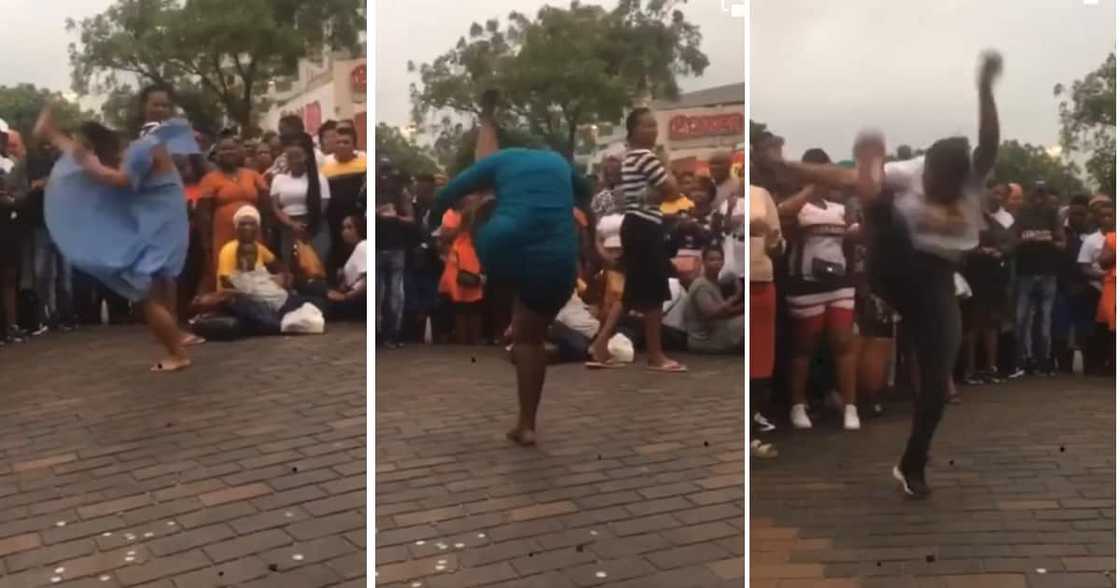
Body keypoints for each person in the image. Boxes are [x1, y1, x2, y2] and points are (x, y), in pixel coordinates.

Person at [762, 51, 1003, 497]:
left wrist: (985, 89)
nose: (928, 185)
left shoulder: (974, 175)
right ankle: (873, 191)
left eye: (937, 184)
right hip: (892, 264)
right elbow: (837, 175)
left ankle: (912, 464)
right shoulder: (912, 172)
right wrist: (789, 166)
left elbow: (989, 139)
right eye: (926, 177)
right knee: (879, 202)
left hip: (936, 281)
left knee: (937, 385)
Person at [431, 89, 589, 446]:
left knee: (483, 209)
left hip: (502, 246)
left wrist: (435, 220)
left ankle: (506, 313)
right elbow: (587, 189)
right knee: (530, 339)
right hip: (558, 261)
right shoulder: (558, 162)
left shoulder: (498, 162)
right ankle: (527, 423)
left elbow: (449, 191)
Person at [35, 105, 200, 372]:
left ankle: (177, 353)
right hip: (163, 227)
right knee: (160, 287)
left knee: (148, 296)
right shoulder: (153, 147)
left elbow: (119, 180)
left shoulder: (142, 149)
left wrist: (76, 153)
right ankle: (177, 340)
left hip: (156, 230)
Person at [586, 107, 686, 373]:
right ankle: (655, 356)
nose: (652, 130)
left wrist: (657, 193)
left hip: (636, 225)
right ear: (632, 131)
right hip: (644, 226)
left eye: (654, 125)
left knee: (632, 292)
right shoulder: (645, 157)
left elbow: (662, 193)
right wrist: (665, 175)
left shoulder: (631, 157)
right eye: (646, 126)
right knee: (653, 291)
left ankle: (600, 344)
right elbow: (673, 190)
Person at [777, 148, 860, 431]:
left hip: (838, 282)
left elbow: (852, 239)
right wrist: (809, 186)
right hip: (805, 283)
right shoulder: (796, 204)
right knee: (805, 345)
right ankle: (797, 404)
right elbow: (783, 217)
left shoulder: (838, 208)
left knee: (843, 341)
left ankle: (851, 405)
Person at [959, 185, 1015, 385]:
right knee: (973, 324)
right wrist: (981, 252)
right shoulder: (966, 220)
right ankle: (970, 369)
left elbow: (1009, 243)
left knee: (991, 324)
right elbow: (961, 247)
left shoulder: (994, 222)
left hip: (991, 277)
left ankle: (991, 367)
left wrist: (998, 251)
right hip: (973, 276)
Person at [197, 136, 268, 293]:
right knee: (226, 273)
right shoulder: (210, 179)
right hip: (223, 235)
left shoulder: (252, 175)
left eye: (232, 148)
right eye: (224, 149)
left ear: (239, 152)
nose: (228, 152)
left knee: (254, 270)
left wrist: (267, 232)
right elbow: (204, 214)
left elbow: (265, 204)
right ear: (216, 155)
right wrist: (206, 243)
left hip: (253, 233)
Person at [1013, 183, 1066, 376]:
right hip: (1025, 272)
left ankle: (1044, 360)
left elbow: (1062, 244)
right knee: (1021, 319)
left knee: (1044, 320)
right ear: (1030, 194)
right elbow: (1012, 242)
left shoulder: (1052, 215)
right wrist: (1026, 240)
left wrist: (1048, 239)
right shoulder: (1022, 214)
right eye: (1036, 193)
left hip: (1047, 273)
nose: (1038, 198)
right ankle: (1023, 360)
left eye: (1042, 194)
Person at [749, 183, 782, 455]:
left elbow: (777, 246)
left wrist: (772, 240)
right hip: (729, 281)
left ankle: (751, 430)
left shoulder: (760, 194)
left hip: (759, 282)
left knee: (759, 364)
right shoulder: (722, 197)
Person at [268, 136, 331, 268]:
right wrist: (292, 224)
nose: (294, 160)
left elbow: (324, 204)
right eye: (290, 156)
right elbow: (276, 207)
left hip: (315, 228)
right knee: (292, 269)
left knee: (314, 269)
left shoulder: (319, 178)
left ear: (307, 156)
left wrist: (307, 225)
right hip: (288, 229)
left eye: (298, 156)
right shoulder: (279, 179)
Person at [374, 161, 415, 348]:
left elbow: (411, 220)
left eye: (388, 172)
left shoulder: (401, 193)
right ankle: (380, 335)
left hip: (396, 248)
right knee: (379, 294)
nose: (385, 176)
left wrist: (395, 216)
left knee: (395, 295)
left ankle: (392, 335)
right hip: (377, 247)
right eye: (383, 172)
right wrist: (377, 213)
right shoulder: (371, 191)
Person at [684, 245, 743, 353]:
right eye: (711, 259)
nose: (716, 262)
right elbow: (711, 313)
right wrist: (735, 297)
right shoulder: (701, 285)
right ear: (704, 262)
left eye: (719, 259)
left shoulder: (714, 282)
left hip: (717, 330)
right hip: (704, 339)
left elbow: (725, 313)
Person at [325, 214, 367, 320]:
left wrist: (345, 297)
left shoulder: (363, 246)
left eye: (349, 227)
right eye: (343, 228)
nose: (345, 232)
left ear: (359, 229)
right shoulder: (355, 250)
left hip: (356, 301)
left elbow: (367, 281)